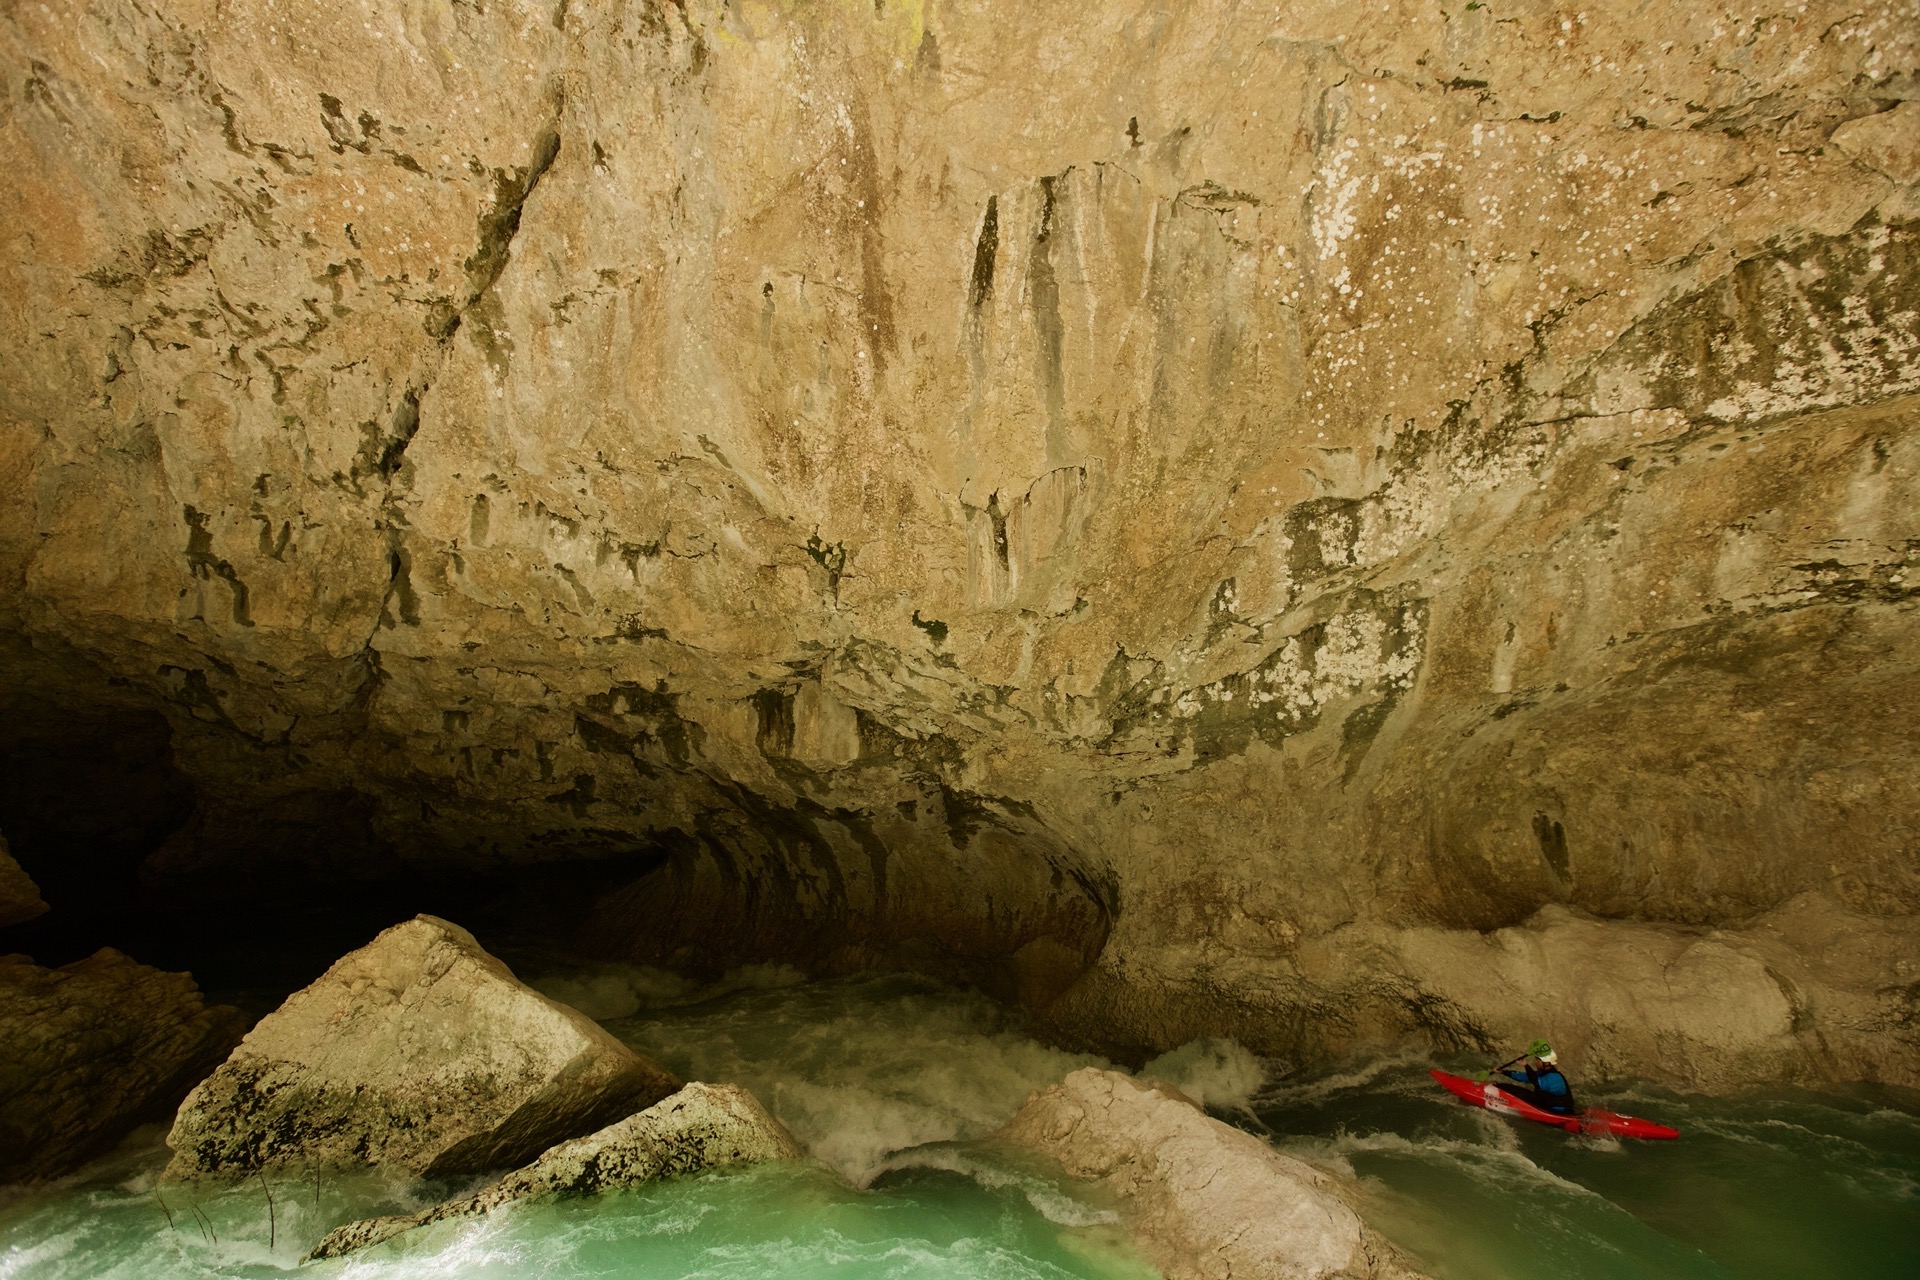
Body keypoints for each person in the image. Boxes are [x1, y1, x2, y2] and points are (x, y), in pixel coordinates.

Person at [1494, 1039, 1576, 1114]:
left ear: (1546, 1063)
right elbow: (1525, 1077)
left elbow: (1535, 1081)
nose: (1535, 1062)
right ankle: (1496, 1087)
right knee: (1521, 1091)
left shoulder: (1555, 1078)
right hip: (1546, 1105)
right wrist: (1503, 1072)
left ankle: (1495, 1091)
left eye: (1537, 1060)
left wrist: (1526, 1066)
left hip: (1558, 1111)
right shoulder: (1543, 1073)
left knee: (1524, 1094)